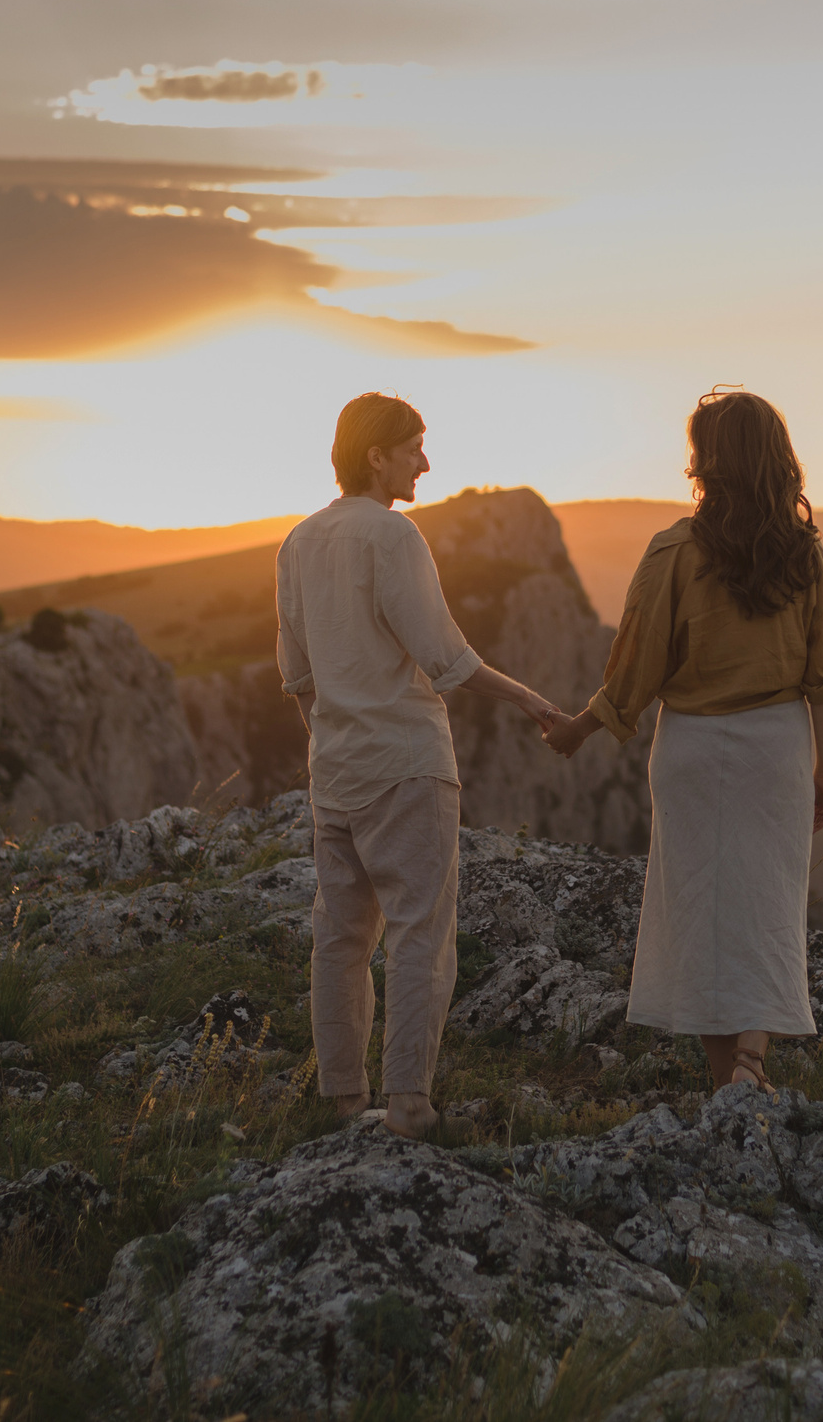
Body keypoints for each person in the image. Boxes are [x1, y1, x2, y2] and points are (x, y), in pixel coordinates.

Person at [277, 392, 566, 1140]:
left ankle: (342, 1099)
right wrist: (532, 700)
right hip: (408, 765)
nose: (425, 462)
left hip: (333, 772)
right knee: (418, 933)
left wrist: (333, 741)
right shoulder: (394, 537)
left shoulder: (298, 542)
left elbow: (298, 677)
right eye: (415, 447)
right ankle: (408, 1104)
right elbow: (445, 656)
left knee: (340, 937)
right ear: (377, 454)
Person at [544, 389, 823, 1092]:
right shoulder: (806, 557)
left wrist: (578, 730)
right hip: (776, 746)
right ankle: (752, 1059)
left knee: (706, 912)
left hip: (691, 747)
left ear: (705, 463)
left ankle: (727, 1084)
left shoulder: (673, 551)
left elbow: (634, 668)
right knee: (770, 901)